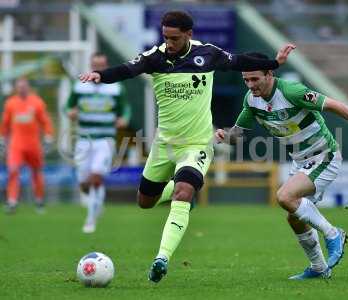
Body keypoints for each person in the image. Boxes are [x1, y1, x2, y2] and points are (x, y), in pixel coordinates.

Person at [79, 10, 295, 282]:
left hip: (197, 143)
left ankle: (162, 259)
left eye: (174, 38)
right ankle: (182, 193)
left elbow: (240, 61)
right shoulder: (154, 57)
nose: (169, 42)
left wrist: (274, 62)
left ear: (189, 35)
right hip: (164, 144)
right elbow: (127, 69)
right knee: (145, 202)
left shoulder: (208, 54)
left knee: (183, 192)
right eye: (165, 37)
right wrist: (100, 76)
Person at [215, 53, 348, 280]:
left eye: (255, 79)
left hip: (324, 156)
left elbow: (333, 104)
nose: (250, 85)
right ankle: (319, 268)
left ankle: (333, 234)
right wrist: (224, 135)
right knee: (294, 216)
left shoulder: (291, 91)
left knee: (285, 197)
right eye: (246, 80)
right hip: (301, 161)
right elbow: (238, 135)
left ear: (269, 74)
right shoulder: (251, 100)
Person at [66, 53, 130, 234]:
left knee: (95, 178)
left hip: (105, 140)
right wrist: (70, 112)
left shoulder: (115, 88)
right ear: (91, 65)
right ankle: (97, 204)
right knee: (83, 182)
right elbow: (68, 106)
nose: (99, 68)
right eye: (95, 65)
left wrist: (124, 119)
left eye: (102, 65)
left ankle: (90, 220)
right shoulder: (79, 86)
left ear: (106, 66)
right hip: (83, 140)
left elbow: (125, 109)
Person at [0, 77, 54, 214]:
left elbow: (45, 121)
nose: (22, 89)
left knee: (36, 172)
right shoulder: (10, 103)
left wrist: (48, 135)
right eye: (19, 86)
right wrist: (2, 138)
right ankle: (12, 201)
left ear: (28, 87)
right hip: (16, 145)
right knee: (13, 171)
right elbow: (5, 123)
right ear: (16, 88)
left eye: (24, 86)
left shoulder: (37, 102)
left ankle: (39, 200)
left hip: (33, 145)